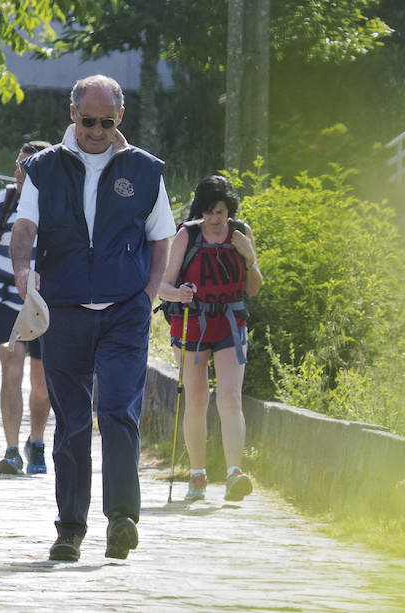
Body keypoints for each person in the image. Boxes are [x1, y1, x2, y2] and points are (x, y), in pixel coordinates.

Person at [9, 75, 176, 562]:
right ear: (72, 113)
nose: (97, 130)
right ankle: (70, 529)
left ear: (119, 118)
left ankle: (122, 518)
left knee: (119, 410)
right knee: (74, 421)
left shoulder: (145, 170)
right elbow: (25, 228)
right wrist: (24, 271)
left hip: (125, 311)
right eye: (88, 121)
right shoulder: (43, 168)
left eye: (107, 121)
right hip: (62, 311)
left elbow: (160, 237)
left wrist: (147, 297)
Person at [157, 175, 263, 503]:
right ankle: (198, 474)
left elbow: (254, 287)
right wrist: (181, 294)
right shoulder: (187, 235)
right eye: (209, 212)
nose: (216, 220)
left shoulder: (242, 233)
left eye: (221, 212)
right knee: (198, 400)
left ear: (230, 210)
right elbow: (163, 285)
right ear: (201, 211)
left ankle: (234, 474)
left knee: (230, 397)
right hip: (193, 325)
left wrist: (249, 257)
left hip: (230, 324)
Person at [0, 140, 53, 475]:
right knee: (12, 369)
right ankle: (12, 450)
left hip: (45, 303)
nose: (18, 173)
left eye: (26, 167)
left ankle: (36, 441)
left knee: (42, 383)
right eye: (18, 166)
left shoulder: (57, 205)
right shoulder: (4, 200)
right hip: (6, 298)